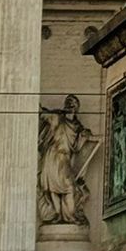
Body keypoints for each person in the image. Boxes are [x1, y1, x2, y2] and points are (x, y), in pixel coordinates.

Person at [37, 94, 96, 224]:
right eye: (70, 104)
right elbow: (42, 113)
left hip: (64, 159)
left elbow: (80, 143)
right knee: (58, 188)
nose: (72, 107)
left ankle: (66, 215)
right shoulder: (57, 118)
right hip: (53, 156)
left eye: (74, 105)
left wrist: (87, 136)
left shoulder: (77, 126)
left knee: (67, 188)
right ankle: (61, 215)